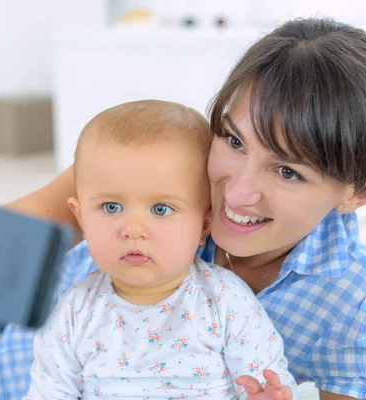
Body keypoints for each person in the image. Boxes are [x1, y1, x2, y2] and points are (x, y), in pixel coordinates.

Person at [0, 17, 366, 400]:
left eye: (286, 171)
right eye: (233, 139)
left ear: (360, 192)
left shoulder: (353, 304)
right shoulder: (167, 160)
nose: (235, 190)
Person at [24, 100, 299, 399]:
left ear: (204, 227)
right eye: (111, 207)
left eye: (161, 209)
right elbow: (48, 392)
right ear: (81, 218)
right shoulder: (74, 312)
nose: (133, 229)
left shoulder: (224, 301)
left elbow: (266, 378)